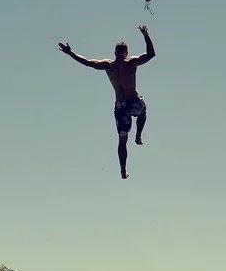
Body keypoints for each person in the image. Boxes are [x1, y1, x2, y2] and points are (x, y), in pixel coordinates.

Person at [58, 25, 155, 179]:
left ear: (121, 53)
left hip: (126, 103)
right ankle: (130, 154)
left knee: (132, 126)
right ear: (120, 53)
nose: (118, 54)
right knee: (132, 125)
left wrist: (146, 35)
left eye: (119, 52)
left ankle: (131, 151)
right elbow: (88, 62)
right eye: (118, 52)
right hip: (126, 104)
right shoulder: (119, 64)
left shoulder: (119, 64)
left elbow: (151, 54)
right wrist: (71, 53)